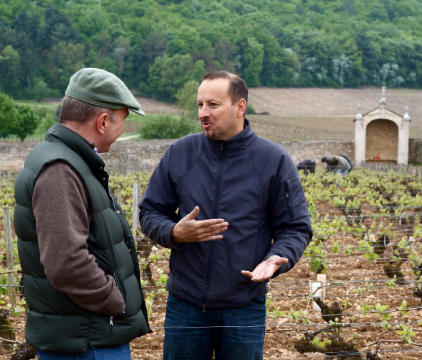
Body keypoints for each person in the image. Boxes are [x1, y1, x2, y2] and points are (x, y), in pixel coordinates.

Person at [139, 70, 312, 360]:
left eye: (212, 105)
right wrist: (173, 233)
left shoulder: (273, 160)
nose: (202, 113)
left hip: (243, 307)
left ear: (240, 107)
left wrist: (275, 259)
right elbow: (150, 211)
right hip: (186, 306)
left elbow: (295, 227)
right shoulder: (180, 153)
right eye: (199, 105)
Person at [14, 68, 150, 359]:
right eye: (123, 121)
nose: (122, 129)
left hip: (84, 334)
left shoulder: (65, 159)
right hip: (87, 342)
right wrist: (117, 300)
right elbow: (66, 263)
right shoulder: (60, 170)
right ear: (102, 122)